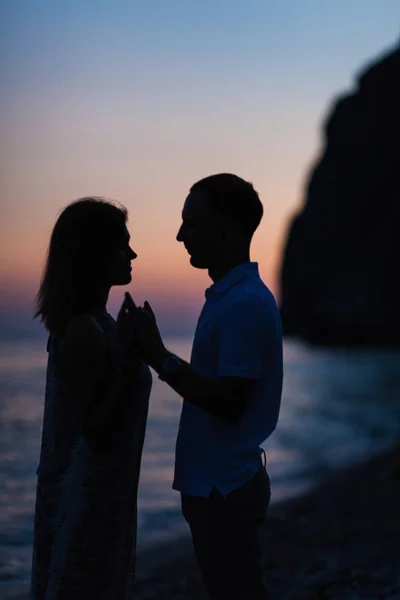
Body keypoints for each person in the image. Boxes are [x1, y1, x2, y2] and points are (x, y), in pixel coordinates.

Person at [128, 174, 283, 599]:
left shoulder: (242, 304)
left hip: (225, 485)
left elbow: (231, 402)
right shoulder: (230, 298)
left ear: (225, 228)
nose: (180, 235)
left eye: (190, 224)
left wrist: (157, 354)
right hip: (221, 482)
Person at [31, 197, 152, 600]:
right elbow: (97, 431)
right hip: (84, 503)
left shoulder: (100, 325)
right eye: (123, 244)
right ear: (95, 253)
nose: (132, 253)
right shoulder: (85, 330)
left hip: (103, 496)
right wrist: (133, 357)